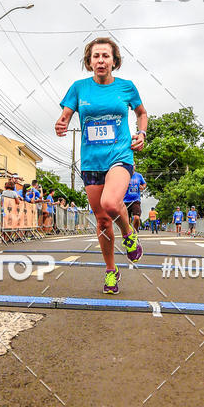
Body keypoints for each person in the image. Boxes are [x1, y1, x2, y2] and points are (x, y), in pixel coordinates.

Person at [56, 37, 147, 294]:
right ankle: (110, 271)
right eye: (96, 56)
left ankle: (129, 235)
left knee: (110, 203)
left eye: (106, 56)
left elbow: (142, 113)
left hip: (120, 155)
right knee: (103, 221)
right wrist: (61, 123)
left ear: (114, 61)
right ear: (89, 62)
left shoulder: (126, 87)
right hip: (91, 161)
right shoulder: (78, 88)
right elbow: (64, 115)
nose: (100, 61)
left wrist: (142, 133)